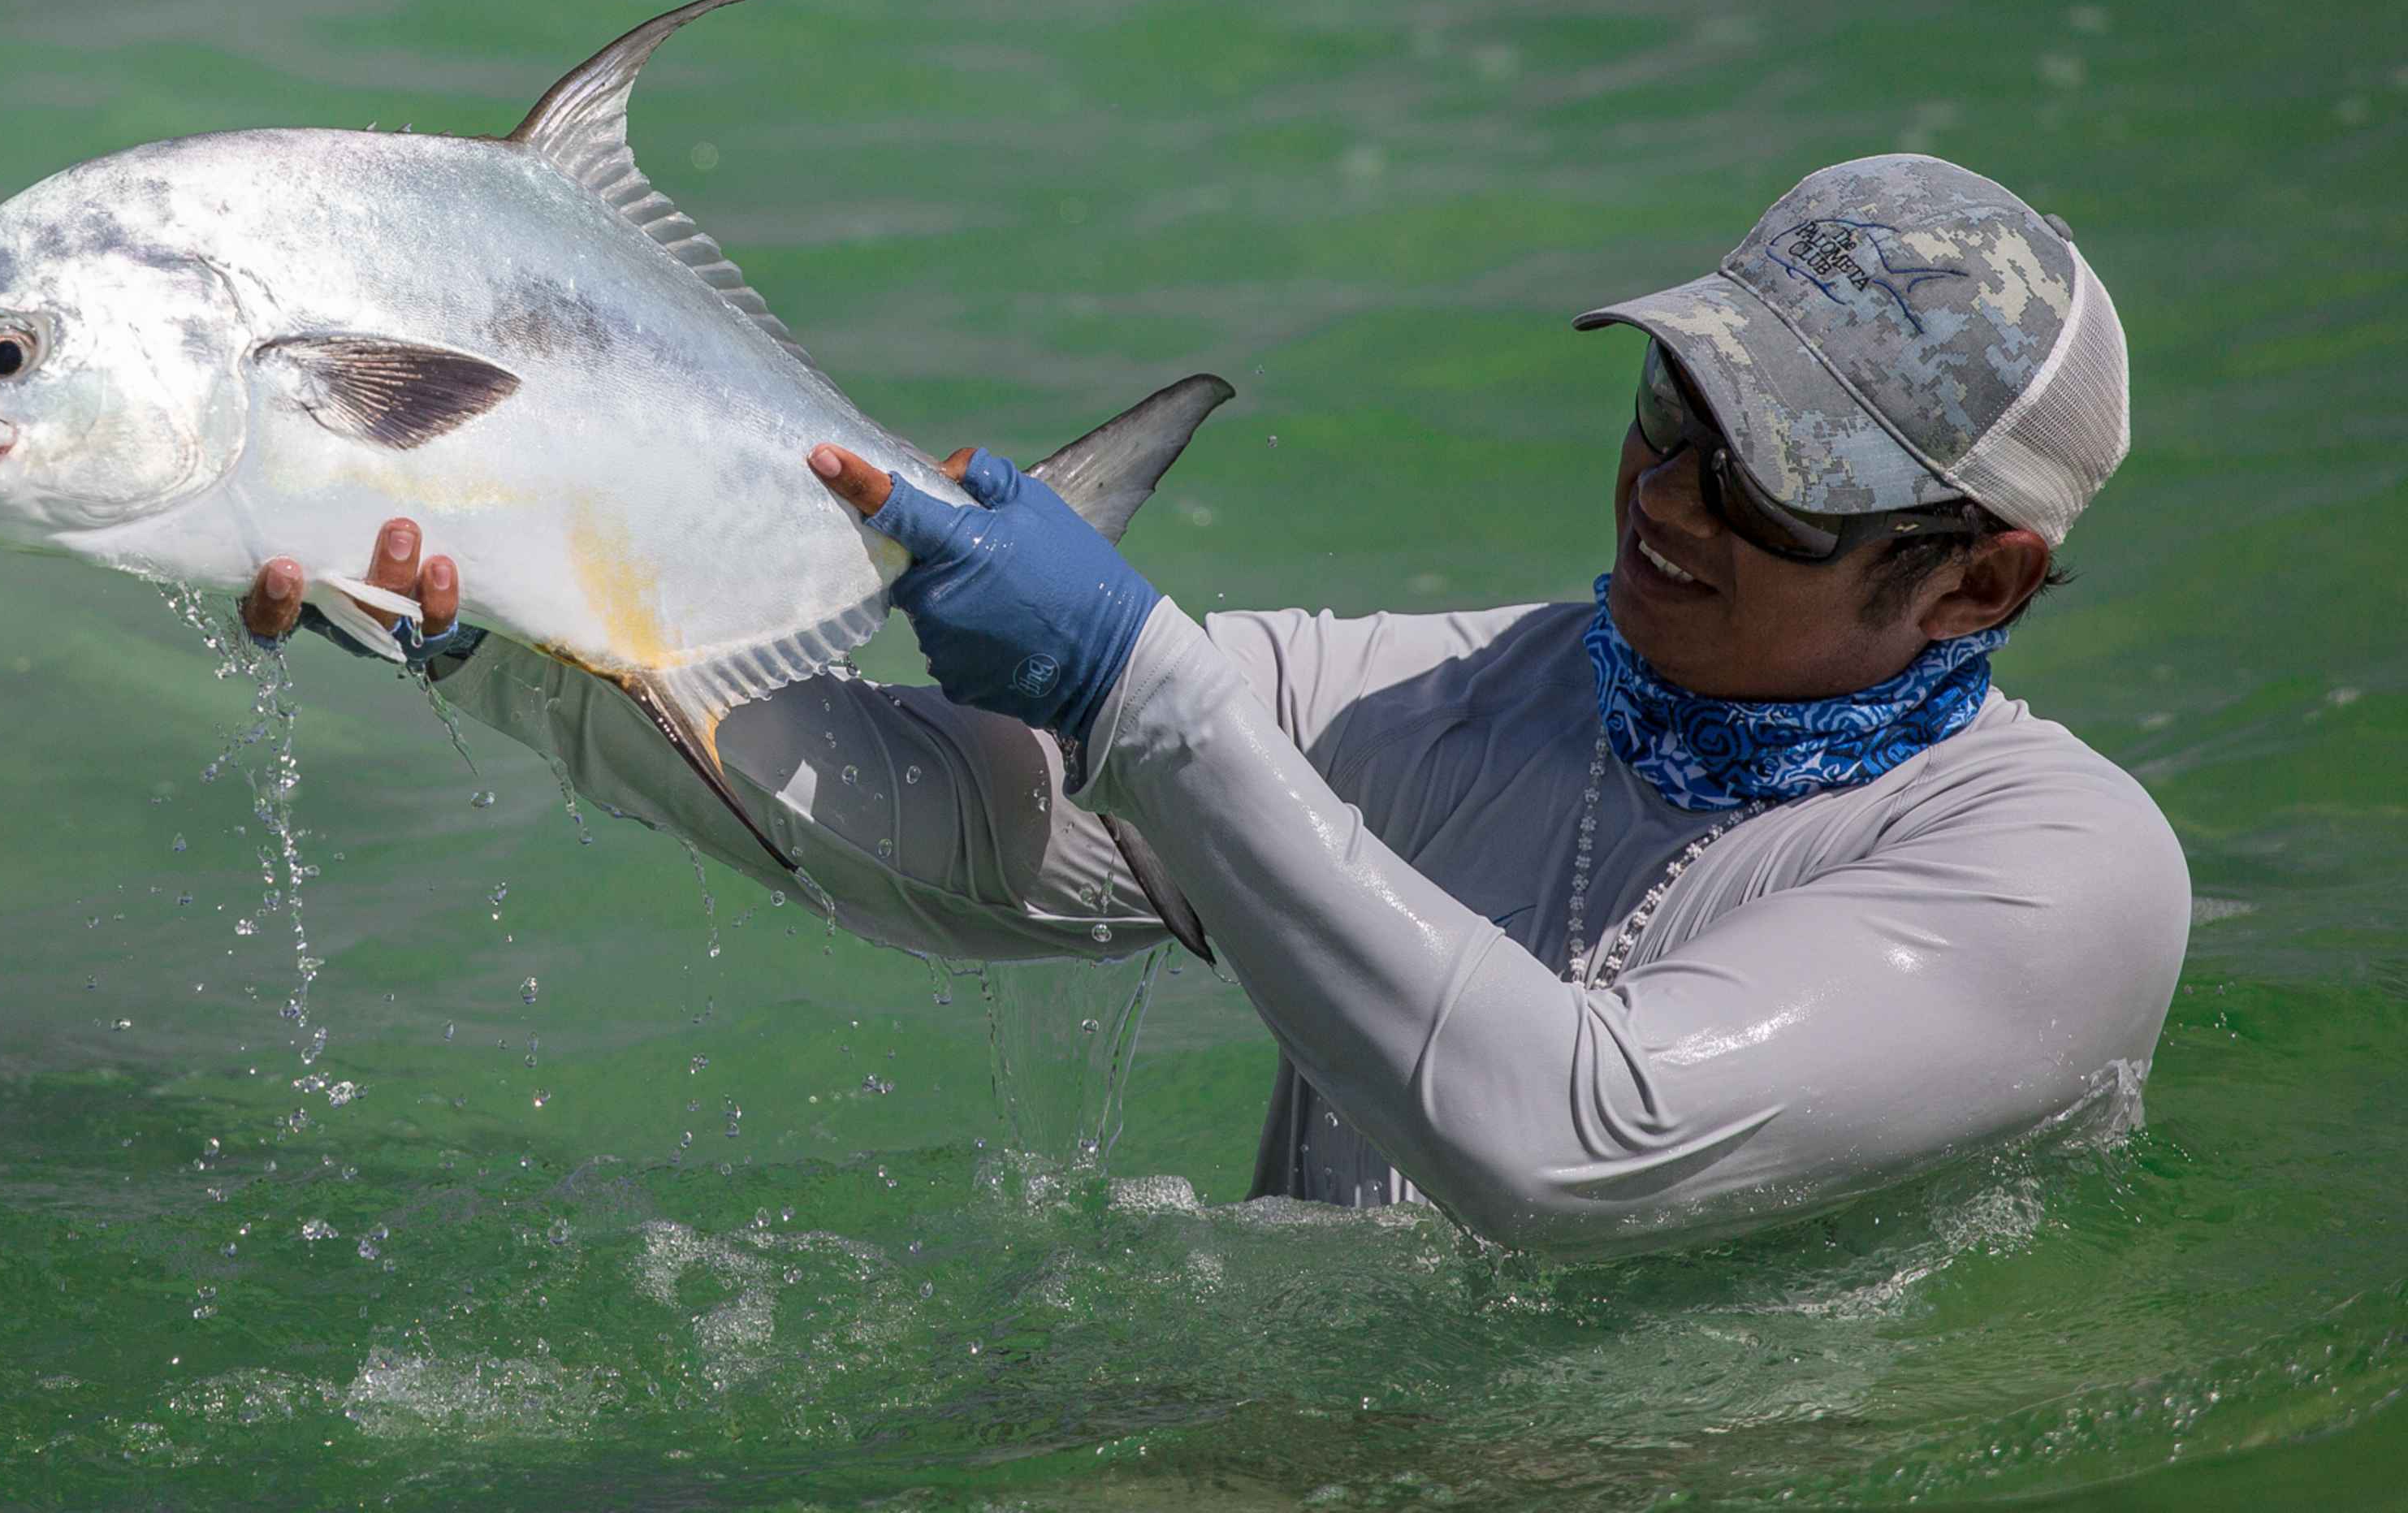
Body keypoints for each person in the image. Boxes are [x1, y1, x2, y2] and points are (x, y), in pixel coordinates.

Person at [241, 154, 2187, 1254]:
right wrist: (509, 638)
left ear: (1983, 577)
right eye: (1671, 409)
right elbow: (951, 842)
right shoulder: (1449, 695)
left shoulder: (2060, 870)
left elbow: (1577, 1145)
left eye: (1776, 478)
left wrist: (1143, 693)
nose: (1671, 498)